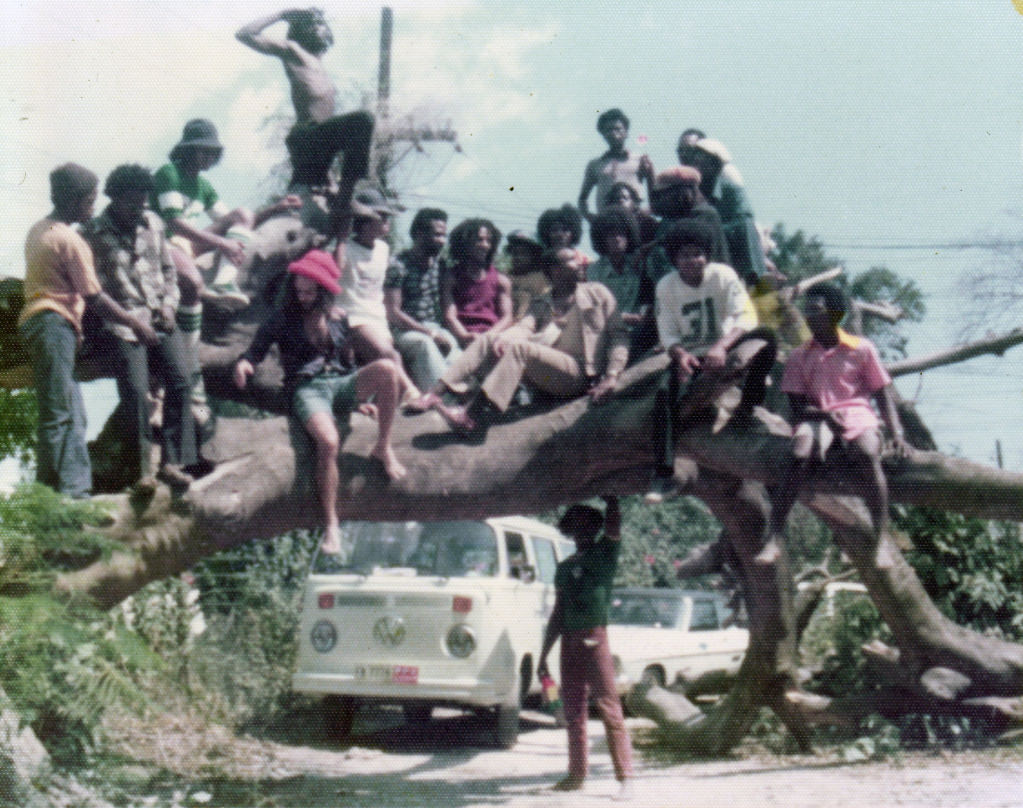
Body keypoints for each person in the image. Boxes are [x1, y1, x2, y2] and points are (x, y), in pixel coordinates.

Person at [234, 250, 419, 555]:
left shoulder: (339, 317)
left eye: (309, 291)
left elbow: (346, 364)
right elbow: (254, 351)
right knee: (330, 442)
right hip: (308, 389)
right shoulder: (282, 318)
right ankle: (331, 523)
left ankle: (383, 446)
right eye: (299, 290)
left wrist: (355, 402)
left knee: (387, 369)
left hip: (340, 385)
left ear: (323, 291)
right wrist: (244, 364)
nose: (303, 296)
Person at [18, 163, 159, 498]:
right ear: (75, 201)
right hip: (54, 323)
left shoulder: (39, 230)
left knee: (74, 413)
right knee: (57, 414)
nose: (94, 207)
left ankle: (76, 491)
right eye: (90, 200)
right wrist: (135, 323)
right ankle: (50, 496)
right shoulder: (70, 240)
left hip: (42, 325)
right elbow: (94, 296)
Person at [754, 283, 911, 568]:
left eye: (817, 311)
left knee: (866, 453)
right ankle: (774, 535)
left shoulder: (861, 348)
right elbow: (798, 407)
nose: (810, 317)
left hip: (857, 413)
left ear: (835, 314)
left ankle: (880, 539)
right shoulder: (799, 355)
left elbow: (881, 395)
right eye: (807, 312)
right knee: (799, 454)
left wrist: (897, 434)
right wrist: (824, 418)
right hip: (817, 416)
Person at [413, 248, 628, 433]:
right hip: (547, 376)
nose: (581, 262)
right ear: (556, 271)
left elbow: (619, 335)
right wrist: (503, 339)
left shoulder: (598, 293)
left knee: (521, 349)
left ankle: (471, 413)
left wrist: (612, 376)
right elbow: (524, 327)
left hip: (581, 374)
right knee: (490, 338)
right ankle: (434, 394)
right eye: (572, 259)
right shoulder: (542, 302)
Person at [82, 165, 199, 491]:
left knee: (181, 381)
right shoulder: (91, 235)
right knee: (135, 392)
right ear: (115, 199)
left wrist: (169, 305)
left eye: (143, 204)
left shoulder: (154, 224)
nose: (138, 211)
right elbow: (94, 293)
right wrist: (131, 321)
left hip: (160, 318)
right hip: (121, 324)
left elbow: (169, 270)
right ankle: (141, 472)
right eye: (132, 204)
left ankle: (173, 463)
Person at [645, 220, 775, 504]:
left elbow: (745, 316)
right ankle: (663, 472)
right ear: (674, 259)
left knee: (766, 337)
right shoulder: (666, 286)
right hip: (692, 353)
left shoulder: (722, 275)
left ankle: (749, 405)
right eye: (683, 255)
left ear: (707, 254)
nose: (691, 260)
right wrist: (681, 356)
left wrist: (721, 346)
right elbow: (667, 331)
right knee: (664, 394)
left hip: (726, 346)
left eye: (697, 253)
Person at [537, 496, 634, 799]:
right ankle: (576, 773)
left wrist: (613, 503)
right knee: (573, 710)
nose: (580, 535)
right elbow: (558, 612)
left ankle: (626, 778)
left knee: (608, 707)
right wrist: (543, 654)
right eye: (575, 530)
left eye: (585, 529)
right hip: (569, 640)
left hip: (595, 639)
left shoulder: (606, 553)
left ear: (593, 529)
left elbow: (615, 527)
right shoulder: (565, 567)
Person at [236, 8, 374, 219]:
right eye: (313, 24)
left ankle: (339, 195)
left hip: (318, 142)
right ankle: (345, 200)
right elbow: (245, 34)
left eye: (321, 24)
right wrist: (282, 14)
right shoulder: (293, 49)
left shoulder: (319, 64)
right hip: (307, 135)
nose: (320, 28)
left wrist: (331, 180)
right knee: (363, 120)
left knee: (301, 193)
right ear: (303, 31)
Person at [384, 207, 461, 390]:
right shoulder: (398, 265)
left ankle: (463, 390)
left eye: (444, 236)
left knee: (452, 344)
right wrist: (430, 334)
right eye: (437, 235)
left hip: (433, 327)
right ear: (419, 234)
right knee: (424, 344)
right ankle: (441, 395)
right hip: (404, 330)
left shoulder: (439, 265)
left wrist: (437, 332)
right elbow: (393, 313)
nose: (442, 241)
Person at [677, 137, 767, 285]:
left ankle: (757, 284)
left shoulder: (731, 190)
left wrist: (715, 229)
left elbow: (744, 219)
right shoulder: (684, 189)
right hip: (692, 245)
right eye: (694, 159)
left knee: (745, 226)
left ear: (715, 166)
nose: (696, 164)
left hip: (726, 244)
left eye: (702, 160)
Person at [335, 188, 405, 367]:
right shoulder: (346, 249)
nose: (386, 221)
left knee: (382, 365)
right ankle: (412, 395)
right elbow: (336, 270)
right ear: (365, 222)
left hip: (377, 318)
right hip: (353, 318)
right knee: (390, 357)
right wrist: (341, 239)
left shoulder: (383, 248)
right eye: (381, 217)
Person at [587, 208, 656, 360]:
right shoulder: (594, 271)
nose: (617, 238)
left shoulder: (640, 263)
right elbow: (594, 310)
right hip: (608, 333)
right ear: (602, 239)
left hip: (640, 332)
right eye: (611, 235)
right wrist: (623, 317)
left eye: (621, 234)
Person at [441, 218, 513, 347]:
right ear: (465, 243)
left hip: (492, 337)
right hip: (459, 337)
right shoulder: (452, 277)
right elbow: (449, 316)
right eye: (479, 240)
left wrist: (488, 337)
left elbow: (507, 317)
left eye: (488, 241)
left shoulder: (501, 280)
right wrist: (464, 336)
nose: (485, 245)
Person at [577, 107, 653, 222]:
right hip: (606, 226)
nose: (613, 133)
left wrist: (645, 213)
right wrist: (592, 218)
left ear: (626, 132)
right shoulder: (595, 164)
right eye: (608, 130)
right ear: (603, 134)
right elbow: (582, 199)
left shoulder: (641, 161)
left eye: (617, 129)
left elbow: (656, 196)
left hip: (635, 224)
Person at [504, 229, 549, 320]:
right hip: (504, 323)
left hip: (529, 323)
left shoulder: (540, 279)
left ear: (534, 256)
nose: (518, 257)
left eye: (524, 254)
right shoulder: (504, 277)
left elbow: (543, 305)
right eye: (515, 253)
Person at [537, 204, 592, 273]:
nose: (560, 234)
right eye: (554, 230)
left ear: (574, 232)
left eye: (565, 230)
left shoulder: (585, 262)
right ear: (546, 234)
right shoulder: (540, 264)